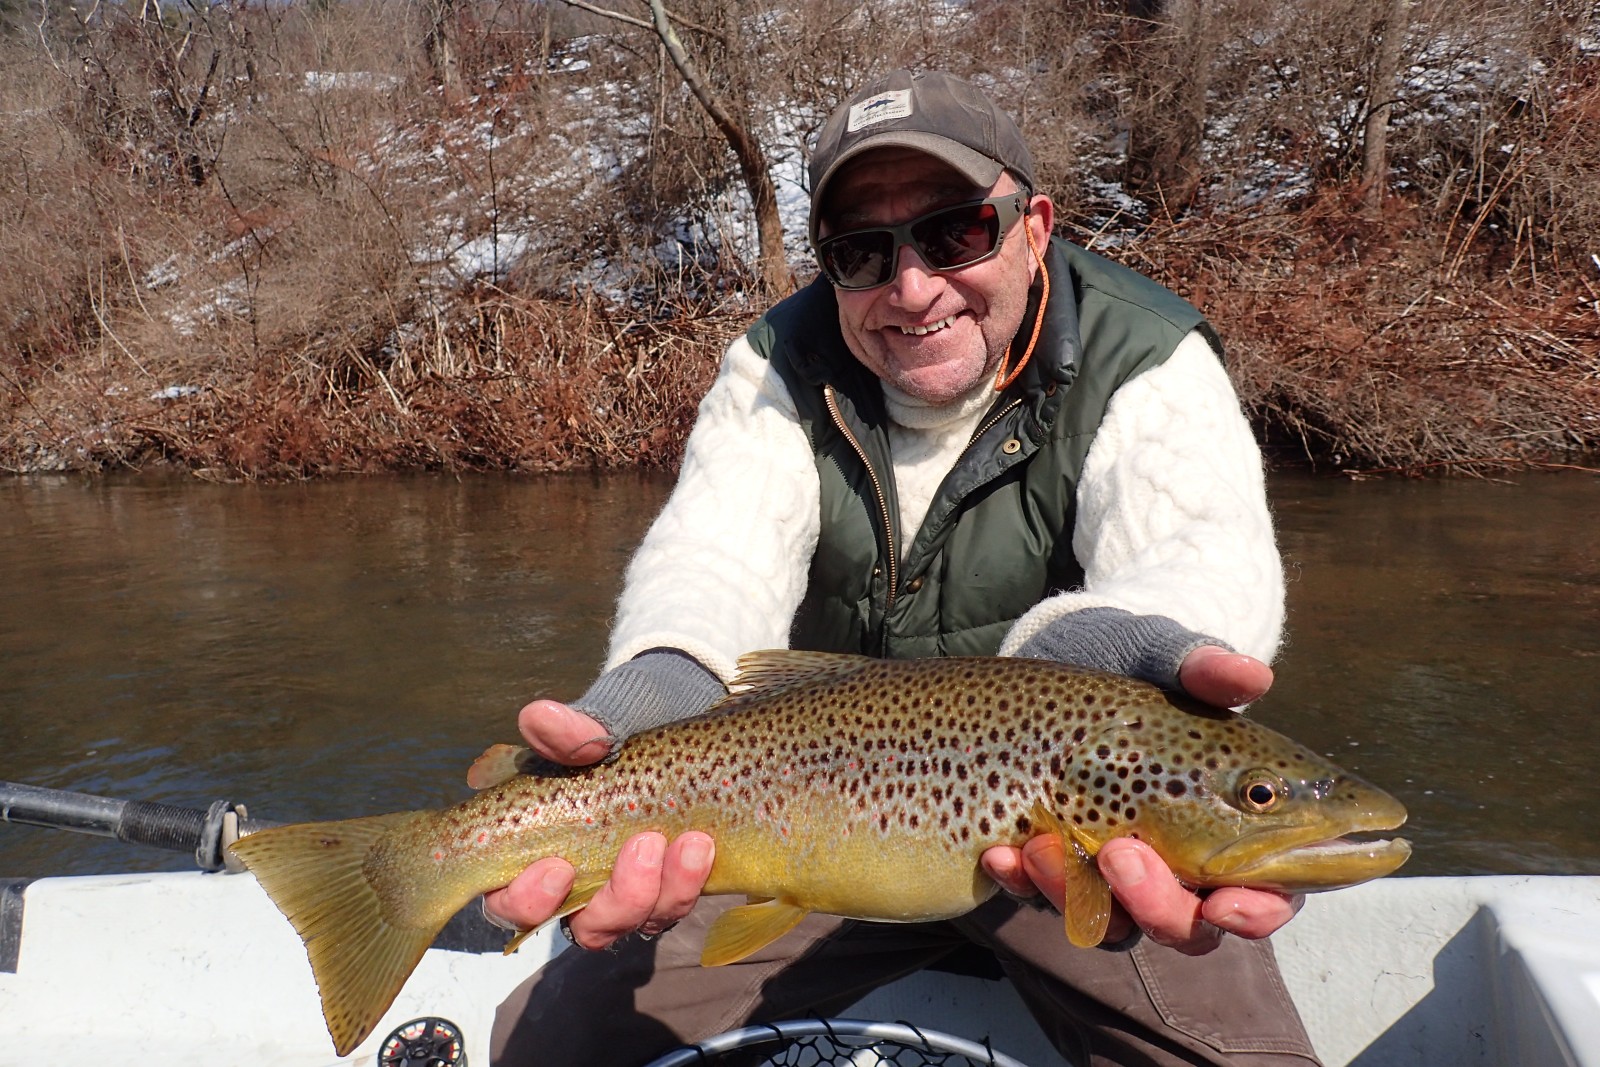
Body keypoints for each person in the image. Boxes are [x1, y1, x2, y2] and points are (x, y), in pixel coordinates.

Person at [486, 69, 1319, 1067]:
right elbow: (715, 559)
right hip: (794, 816)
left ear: (1033, 225)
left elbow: (1195, 556)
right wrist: (656, 686)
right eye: (861, 251)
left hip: (1068, 837)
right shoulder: (773, 366)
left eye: (956, 232)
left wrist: (1105, 648)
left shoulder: (1147, 358)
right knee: (551, 1042)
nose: (911, 286)